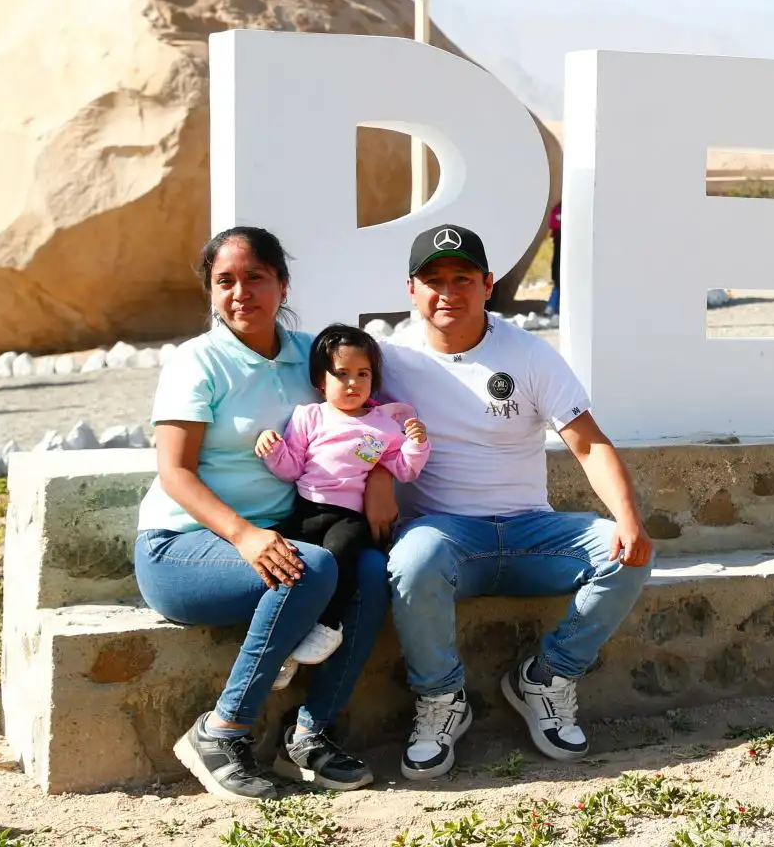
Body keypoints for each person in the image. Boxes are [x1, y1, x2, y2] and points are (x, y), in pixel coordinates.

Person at [371, 223, 651, 781]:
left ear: (488, 284)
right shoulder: (388, 359)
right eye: (433, 280)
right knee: (414, 558)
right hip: (447, 538)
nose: (448, 292)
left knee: (622, 551)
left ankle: (546, 677)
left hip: (530, 533)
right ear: (410, 289)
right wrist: (377, 478)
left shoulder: (528, 354)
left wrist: (628, 518)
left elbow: (589, 444)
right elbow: (342, 423)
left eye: (462, 279)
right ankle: (442, 700)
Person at [134, 227, 390, 800]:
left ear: (283, 284)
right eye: (224, 281)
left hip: (283, 534)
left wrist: (380, 477)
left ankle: (311, 735)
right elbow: (175, 472)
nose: (240, 292)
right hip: (183, 547)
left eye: (255, 277)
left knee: (372, 570)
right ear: (210, 291)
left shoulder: (314, 356)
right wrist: (244, 535)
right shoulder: (197, 362)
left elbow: (367, 422)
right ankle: (220, 732)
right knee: (313, 568)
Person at [255, 323, 432, 681]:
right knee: (289, 564)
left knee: (339, 555)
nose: (353, 383)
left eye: (362, 373)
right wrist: (272, 449)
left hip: (349, 516)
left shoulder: (384, 427)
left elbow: (404, 469)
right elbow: (292, 468)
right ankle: (283, 646)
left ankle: (329, 624)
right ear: (321, 380)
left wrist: (417, 444)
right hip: (307, 509)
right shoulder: (310, 416)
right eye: (341, 373)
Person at [545, 201, 562, 323]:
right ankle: (552, 308)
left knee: (558, 284)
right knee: (558, 284)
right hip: (559, 257)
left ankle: (552, 308)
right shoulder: (559, 210)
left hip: (558, 258)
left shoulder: (557, 210)